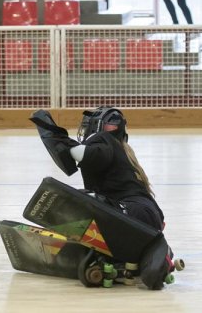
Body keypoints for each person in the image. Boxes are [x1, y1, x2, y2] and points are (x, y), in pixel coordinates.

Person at [30, 107, 175, 290]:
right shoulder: (119, 148)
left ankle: (158, 249)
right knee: (90, 203)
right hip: (139, 215)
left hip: (135, 212)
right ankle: (124, 258)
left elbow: (91, 155)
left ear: (99, 126)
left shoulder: (105, 140)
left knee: (81, 200)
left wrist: (59, 139)